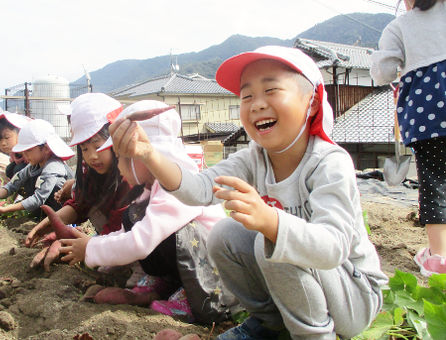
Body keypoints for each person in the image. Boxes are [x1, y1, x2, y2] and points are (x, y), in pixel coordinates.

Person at [110, 47, 389, 338]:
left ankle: (313, 335)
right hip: (303, 289)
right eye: (247, 96)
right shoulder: (254, 159)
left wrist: (271, 221)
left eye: (271, 90)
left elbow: (334, 248)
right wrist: (149, 154)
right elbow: (201, 189)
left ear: (313, 103)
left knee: (272, 242)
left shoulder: (329, 163)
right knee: (224, 235)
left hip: (354, 296)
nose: (257, 105)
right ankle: (270, 325)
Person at [59, 100, 234, 324]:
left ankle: (198, 299)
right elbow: (125, 233)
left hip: (219, 279)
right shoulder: (147, 191)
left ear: (141, 155)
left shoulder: (178, 189)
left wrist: (91, 248)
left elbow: (141, 241)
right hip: (189, 267)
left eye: (120, 157)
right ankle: (166, 284)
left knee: (182, 233)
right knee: (132, 215)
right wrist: (99, 259)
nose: (119, 167)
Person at [370, 0, 446, 276]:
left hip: (429, 113)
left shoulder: (399, 26)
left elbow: (383, 73)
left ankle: (438, 257)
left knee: (436, 179)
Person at [24, 93, 131, 270]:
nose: (92, 156)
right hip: (109, 237)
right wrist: (55, 222)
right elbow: (82, 203)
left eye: (98, 146)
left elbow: (120, 228)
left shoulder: (130, 176)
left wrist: (84, 246)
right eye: (84, 148)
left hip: (128, 242)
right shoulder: (89, 169)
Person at [0, 119, 74, 218]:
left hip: (66, 210)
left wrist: (6, 209)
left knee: (56, 184)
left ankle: (57, 218)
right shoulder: (33, 166)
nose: (24, 155)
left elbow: (38, 198)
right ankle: (41, 215)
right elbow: (13, 184)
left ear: (46, 148)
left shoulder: (53, 167)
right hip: (44, 205)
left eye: (28, 150)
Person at [0, 112, 31, 179]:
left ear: (20, 133)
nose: (3, 143)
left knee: (19, 169)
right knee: (9, 170)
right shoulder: (13, 153)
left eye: (7, 137)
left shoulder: (31, 149)